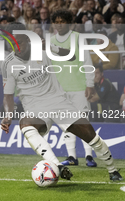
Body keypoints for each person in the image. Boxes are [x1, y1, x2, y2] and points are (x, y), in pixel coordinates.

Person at [0, 22, 123, 181]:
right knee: (25, 123)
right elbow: (8, 95)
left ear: (28, 39)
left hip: (59, 102)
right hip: (35, 108)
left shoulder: (42, 50)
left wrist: (51, 48)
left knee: (92, 138)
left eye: (19, 42)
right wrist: (8, 116)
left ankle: (113, 171)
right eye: (11, 45)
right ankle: (56, 166)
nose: (16, 48)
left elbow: (71, 56)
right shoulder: (8, 64)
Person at [50, 9, 97, 167]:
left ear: (69, 22)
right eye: (56, 21)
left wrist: (90, 83)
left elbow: (87, 61)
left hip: (79, 87)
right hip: (60, 90)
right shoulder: (51, 41)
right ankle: (72, 157)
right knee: (67, 124)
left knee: (83, 122)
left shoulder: (78, 38)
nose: (59, 24)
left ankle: (89, 156)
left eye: (62, 21)